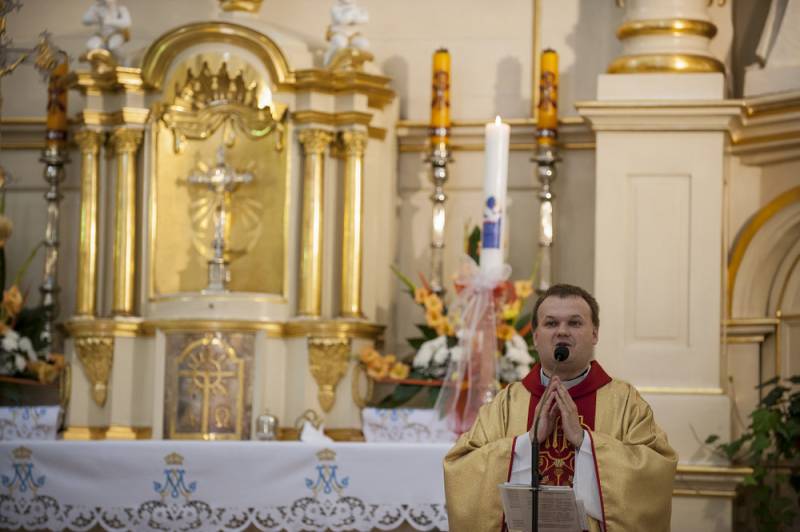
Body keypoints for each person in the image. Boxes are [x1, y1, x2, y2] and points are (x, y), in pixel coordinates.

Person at [443, 284, 677, 531]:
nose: (562, 332)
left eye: (574, 323)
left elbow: (656, 471)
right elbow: (461, 468)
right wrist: (526, 442)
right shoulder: (507, 403)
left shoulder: (625, 402)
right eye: (551, 323)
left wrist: (586, 442)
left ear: (595, 334)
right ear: (535, 337)